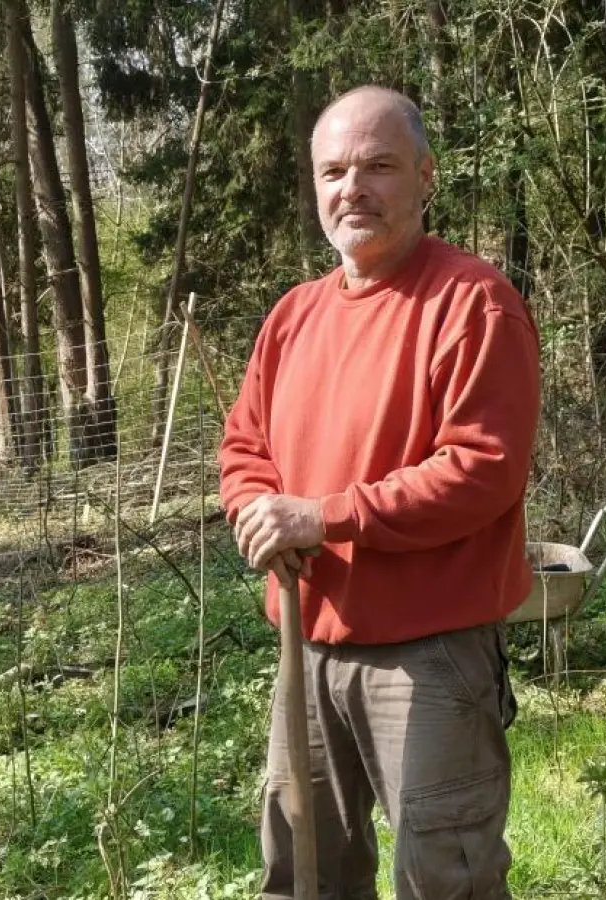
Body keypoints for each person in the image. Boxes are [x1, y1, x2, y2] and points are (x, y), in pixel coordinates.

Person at [218, 85, 541, 898]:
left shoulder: (472, 303)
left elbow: (482, 470)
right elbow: (244, 445)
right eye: (333, 171)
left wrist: (324, 515)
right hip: (308, 644)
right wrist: (255, 513)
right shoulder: (292, 317)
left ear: (425, 176)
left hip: (428, 654)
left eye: (378, 166)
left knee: (445, 875)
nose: (351, 188)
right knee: (304, 871)